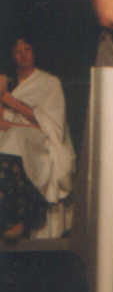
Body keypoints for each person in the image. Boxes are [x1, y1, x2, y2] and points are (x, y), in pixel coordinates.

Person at [0, 37, 76, 240]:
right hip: (10, 135)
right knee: (11, 139)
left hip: (41, 140)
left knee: (16, 140)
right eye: (18, 51)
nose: (23, 55)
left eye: (27, 49)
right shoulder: (6, 82)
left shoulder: (49, 83)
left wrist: (9, 100)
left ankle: (18, 220)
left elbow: (51, 123)